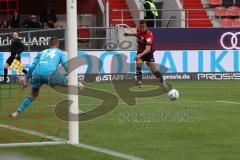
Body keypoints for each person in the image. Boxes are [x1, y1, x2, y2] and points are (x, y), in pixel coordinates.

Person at [10, 37, 83, 118]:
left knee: (33, 95)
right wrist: (73, 78)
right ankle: (75, 109)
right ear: (57, 44)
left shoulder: (41, 52)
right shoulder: (60, 52)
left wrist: (26, 80)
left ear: (49, 44)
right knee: (72, 85)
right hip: (50, 74)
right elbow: (65, 65)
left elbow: (32, 67)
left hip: (36, 75)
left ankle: (16, 113)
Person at [124, 20, 168, 90]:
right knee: (138, 63)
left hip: (148, 53)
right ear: (139, 27)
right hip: (140, 51)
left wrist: (140, 55)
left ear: (146, 26)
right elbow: (138, 35)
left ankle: (163, 82)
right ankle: (139, 80)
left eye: (143, 27)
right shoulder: (138, 30)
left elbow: (148, 49)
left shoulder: (149, 35)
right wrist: (129, 34)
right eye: (141, 27)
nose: (142, 28)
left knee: (154, 70)